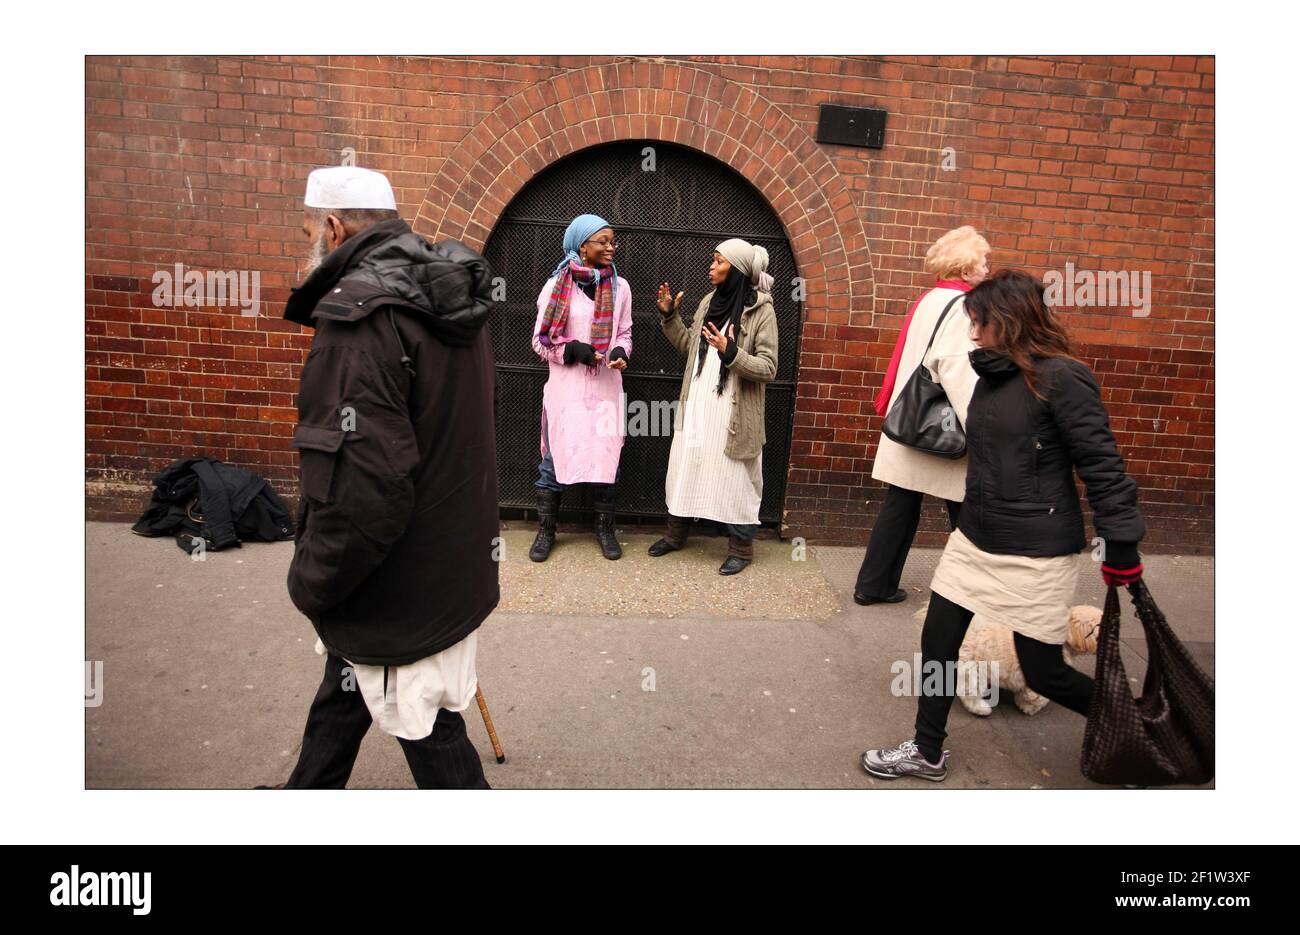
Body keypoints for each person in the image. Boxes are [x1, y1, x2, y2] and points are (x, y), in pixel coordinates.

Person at [860, 269, 1146, 781]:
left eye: (979, 322)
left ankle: (1139, 728)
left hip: (1036, 553)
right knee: (938, 645)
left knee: (1045, 672)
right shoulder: (992, 380)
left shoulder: (1063, 377)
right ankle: (927, 752)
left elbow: (1103, 465)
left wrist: (1121, 543)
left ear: (1009, 321)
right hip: (974, 542)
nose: (972, 333)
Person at [279, 166, 498, 789]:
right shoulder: (444, 293)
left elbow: (361, 492)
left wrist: (312, 580)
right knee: (347, 686)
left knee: (424, 723)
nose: (308, 246)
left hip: (401, 580)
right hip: (445, 562)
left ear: (332, 226)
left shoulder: (363, 317)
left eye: (307, 231)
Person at [855, 226, 991, 605]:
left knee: (900, 506)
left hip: (910, 419)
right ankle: (972, 592)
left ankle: (873, 585)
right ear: (965, 269)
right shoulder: (965, 309)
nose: (987, 268)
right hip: (942, 425)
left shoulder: (929, 299)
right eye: (983, 261)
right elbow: (956, 369)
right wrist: (979, 426)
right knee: (967, 512)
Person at [648, 239, 778, 575]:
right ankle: (675, 536)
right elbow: (690, 346)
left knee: (734, 477)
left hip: (733, 412)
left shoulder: (761, 310)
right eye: (713, 260)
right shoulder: (709, 302)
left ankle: (741, 548)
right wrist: (669, 316)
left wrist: (731, 353)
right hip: (698, 404)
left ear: (734, 269)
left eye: (718, 261)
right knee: (687, 466)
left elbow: (768, 367)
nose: (711, 266)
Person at [529, 214, 633, 562]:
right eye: (602, 241)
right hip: (567, 393)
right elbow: (540, 342)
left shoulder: (621, 288)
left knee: (607, 461)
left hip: (605, 389)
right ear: (581, 245)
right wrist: (569, 350)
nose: (610, 247)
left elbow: (624, 334)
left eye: (613, 241)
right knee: (554, 461)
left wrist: (620, 352)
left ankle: (604, 529)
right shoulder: (555, 287)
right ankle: (546, 531)